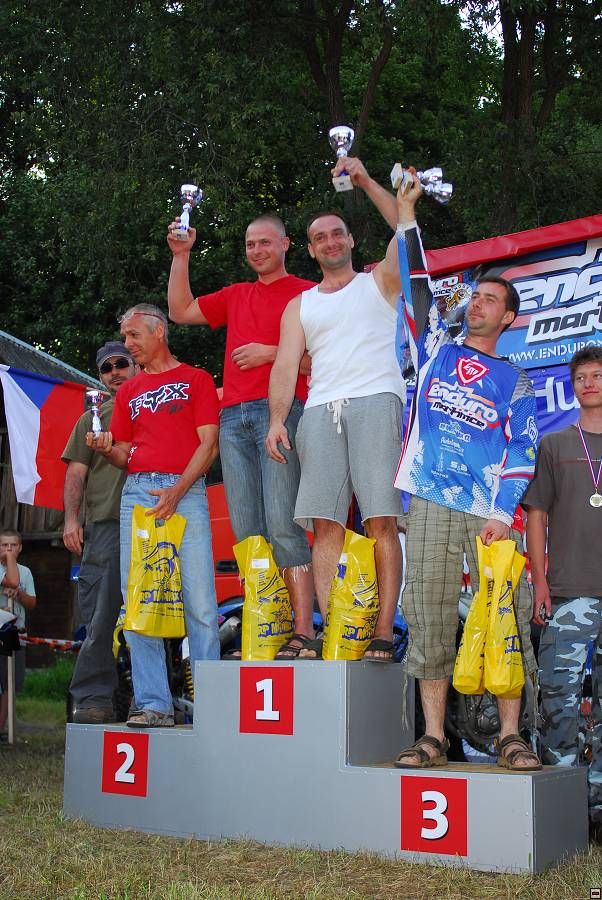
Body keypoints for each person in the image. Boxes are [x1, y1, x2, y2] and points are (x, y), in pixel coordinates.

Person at [388, 169, 540, 769]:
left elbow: (522, 452)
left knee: (506, 615)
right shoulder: (434, 350)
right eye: (475, 296)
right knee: (427, 614)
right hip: (429, 500)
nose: (477, 303)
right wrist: (407, 215)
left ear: (508, 319)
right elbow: (417, 285)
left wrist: (503, 514)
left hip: (489, 514)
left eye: (490, 300)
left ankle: (510, 737)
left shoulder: (517, 381)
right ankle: (433, 736)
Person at [266, 158, 407, 661]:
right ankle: (333, 632)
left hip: (377, 399)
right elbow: (285, 366)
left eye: (336, 234)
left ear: (350, 240)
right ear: (309, 249)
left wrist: (365, 181)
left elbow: (406, 230)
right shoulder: (301, 304)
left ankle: (384, 631)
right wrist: (277, 420)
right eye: (319, 237)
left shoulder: (380, 281)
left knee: (380, 521)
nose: (329, 242)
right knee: (323, 523)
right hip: (321, 410)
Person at [166, 213, 316, 658]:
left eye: (265, 242)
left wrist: (273, 353)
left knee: (283, 525)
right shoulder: (236, 294)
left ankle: (304, 631)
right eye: (250, 244)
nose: (257, 251)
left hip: (283, 412)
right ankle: (265, 627)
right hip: (232, 417)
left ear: (285, 244)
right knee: (247, 531)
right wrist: (181, 254)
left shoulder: (309, 294)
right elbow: (179, 311)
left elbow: (327, 360)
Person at [88, 303, 220, 727]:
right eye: (125, 337)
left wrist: (178, 491)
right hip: (139, 491)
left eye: (133, 336)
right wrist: (106, 448)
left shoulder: (196, 379)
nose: (127, 345)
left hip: (188, 490)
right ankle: (153, 703)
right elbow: (125, 453)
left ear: (158, 331)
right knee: (138, 600)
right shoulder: (129, 390)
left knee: (200, 602)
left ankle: (212, 708)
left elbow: (209, 445)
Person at [523, 346, 602, 838]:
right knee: (559, 704)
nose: (589, 383)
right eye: (581, 377)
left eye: (598, 375)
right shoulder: (554, 444)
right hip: (569, 592)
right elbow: (536, 516)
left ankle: (598, 810)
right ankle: (562, 811)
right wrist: (540, 581)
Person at [61, 341, 137, 724]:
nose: (115, 372)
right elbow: (76, 472)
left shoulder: (157, 404)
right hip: (105, 522)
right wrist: (71, 520)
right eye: (106, 368)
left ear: (137, 363)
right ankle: (93, 698)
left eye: (121, 363)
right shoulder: (92, 416)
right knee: (101, 616)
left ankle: (153, 697)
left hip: (158, 521)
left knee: (157, 610)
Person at [0, 530, 34, 736]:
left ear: (20, 548)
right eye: (4, 545)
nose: (9, 549)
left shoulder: (25, 572)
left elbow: (32, 603)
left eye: (13, 546)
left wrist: (19, 594)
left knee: (11, 682)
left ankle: (3, 727)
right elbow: (12, 581)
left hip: (16, 632)